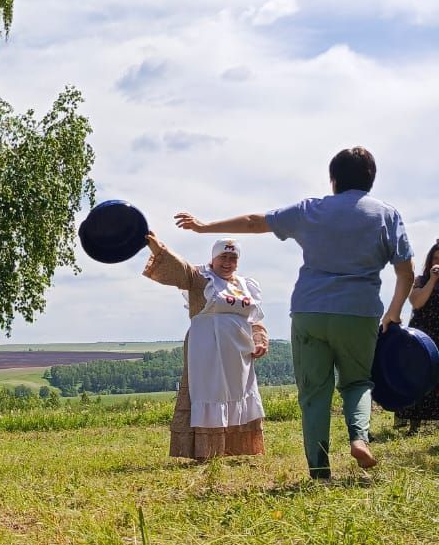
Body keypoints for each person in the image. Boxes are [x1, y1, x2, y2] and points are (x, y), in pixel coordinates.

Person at [175, 146, 415, 479]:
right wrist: (393, 312)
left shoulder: (310, 210)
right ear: (371, 180)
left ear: (333, 180)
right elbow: (406, 273)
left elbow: (254, 221)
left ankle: (319, 469)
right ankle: (358, 438)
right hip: (359, 313)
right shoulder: (387, 215)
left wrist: (204, 227)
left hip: (310, 311)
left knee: (314, 391)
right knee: (357, 382)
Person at [143, 232, 268, 460]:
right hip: (207, 349)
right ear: (213, 258)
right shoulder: (201, 277)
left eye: (233, 258)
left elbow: (254, 319)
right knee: (209, 392)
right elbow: (179, 267)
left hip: (239, 353)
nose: (228, 263)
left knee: (240, 393)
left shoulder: (245, 285)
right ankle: (207, 451)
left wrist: (259, 339)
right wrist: (157, 247)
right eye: (223, 257)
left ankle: (237, 448)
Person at [396, 239, 439, 431]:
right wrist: (432, 280)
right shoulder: (420, 280)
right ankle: (414, 424)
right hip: (423, 335)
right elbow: (417, 302)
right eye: (436, 259)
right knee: (418, 376)